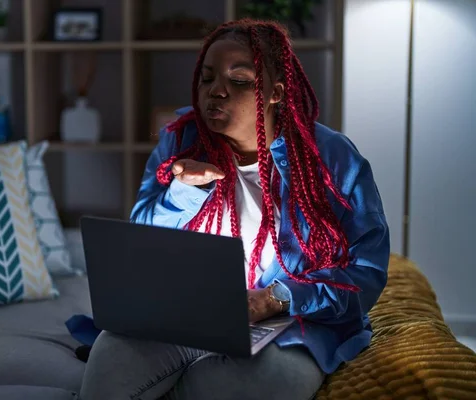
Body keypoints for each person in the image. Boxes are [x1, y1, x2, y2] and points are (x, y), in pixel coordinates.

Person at [69, 18, 390, 400]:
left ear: (276, 93)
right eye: (207, 79)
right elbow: (142, 232)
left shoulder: (333, 159)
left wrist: (276, 298)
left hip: (290, 320)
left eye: (238, 81)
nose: (215, 92)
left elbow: (365, 273)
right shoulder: (181, 140)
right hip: (189, 310)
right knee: (112, 358)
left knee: (268, 382)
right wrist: (184, 192)